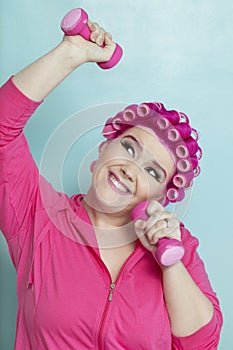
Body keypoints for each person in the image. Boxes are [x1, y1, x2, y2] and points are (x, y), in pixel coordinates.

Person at [0, 14, 223, 350]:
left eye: (152, 172)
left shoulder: (179, 247)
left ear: (163, 196)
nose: (130, 168)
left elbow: (201, 343)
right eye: (129, 148)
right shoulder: (40, 216)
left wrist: (170, 263)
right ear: (104, 149)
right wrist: (71, 52)